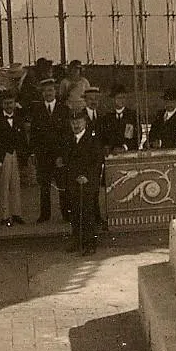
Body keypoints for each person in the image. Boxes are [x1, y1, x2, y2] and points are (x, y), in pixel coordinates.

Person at [60, 107, 107, 255]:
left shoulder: (92, 138)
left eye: (79, 121)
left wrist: (87, 176)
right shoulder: (67, 138)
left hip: (88, 182)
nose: (76, 125)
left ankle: (90, 243)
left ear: (85, 122)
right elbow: (66, 160)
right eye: (73, 122)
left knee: (87, 212)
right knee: (74, 211)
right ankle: (76, 239)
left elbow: (97, 161)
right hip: (73, 181)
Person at [29, 78, 70, 222]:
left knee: (62, 186)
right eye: (45, 91)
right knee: (44, 187)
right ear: (42, 93)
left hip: (59, 155)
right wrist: (33, 152)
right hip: (43, 154)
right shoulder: (37, 110)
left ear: (56, 92)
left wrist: (62, 155)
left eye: (51, 90)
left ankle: (67, 214)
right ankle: (45, 215)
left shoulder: (64, 109)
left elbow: (67, 135)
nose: (48, 93)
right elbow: (33, 133)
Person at [0, 93, 29, 227]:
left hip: (15, 155)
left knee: (16, 185)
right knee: (3, 186)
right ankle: (5, 216)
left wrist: (24, 155)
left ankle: (16, 213)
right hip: (4, 155)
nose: (9, 106)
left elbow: (23, 138)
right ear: (2, 104)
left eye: (11, 103)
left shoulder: (18, 118)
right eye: (6, 103)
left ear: (14, 103)